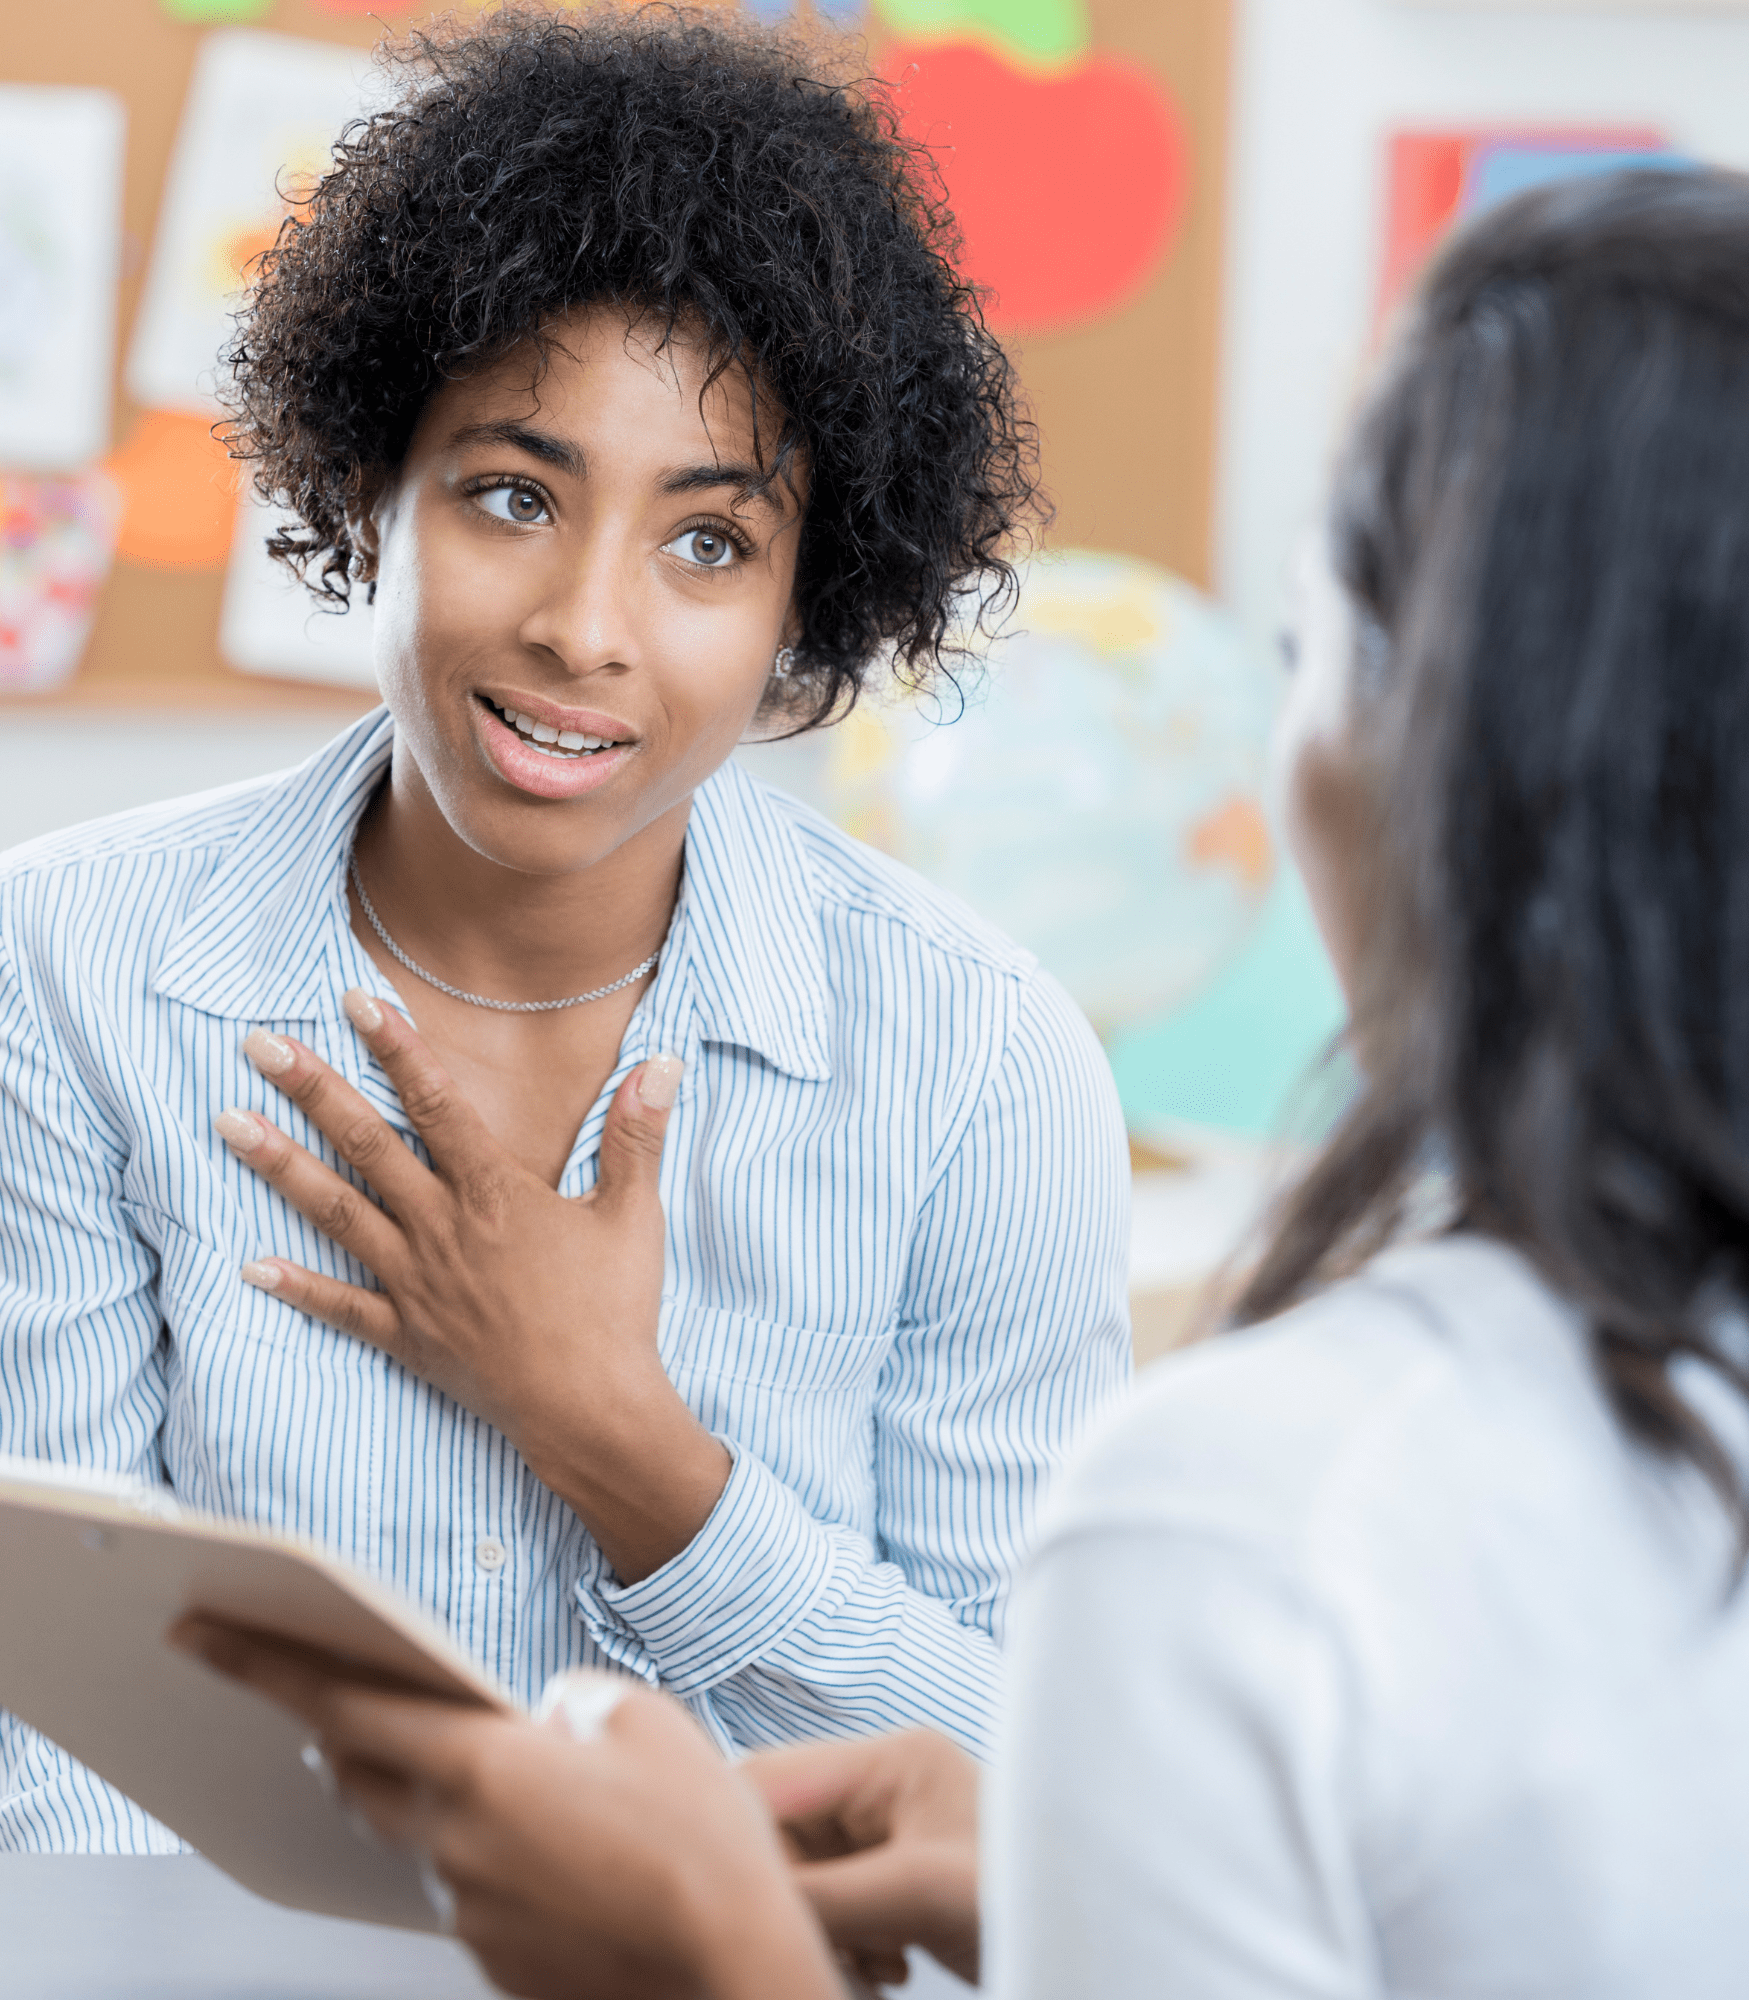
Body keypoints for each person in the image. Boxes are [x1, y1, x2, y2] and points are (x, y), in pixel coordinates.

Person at [186, 166, 1749, 1997]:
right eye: (511, 494)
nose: (590, 626)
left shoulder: (1253, 1516)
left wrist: (720, 1951)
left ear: (1432, 742)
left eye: (1304, 649)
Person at [0, 6, 1131, 1851]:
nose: (587, 629)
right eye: (513, 496)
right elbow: (48, 1730)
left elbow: (1044, 1796)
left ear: (805, 601)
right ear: (373, 489)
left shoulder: (979, 1069)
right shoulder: (62, 971)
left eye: (708, 542)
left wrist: (624, 1445)